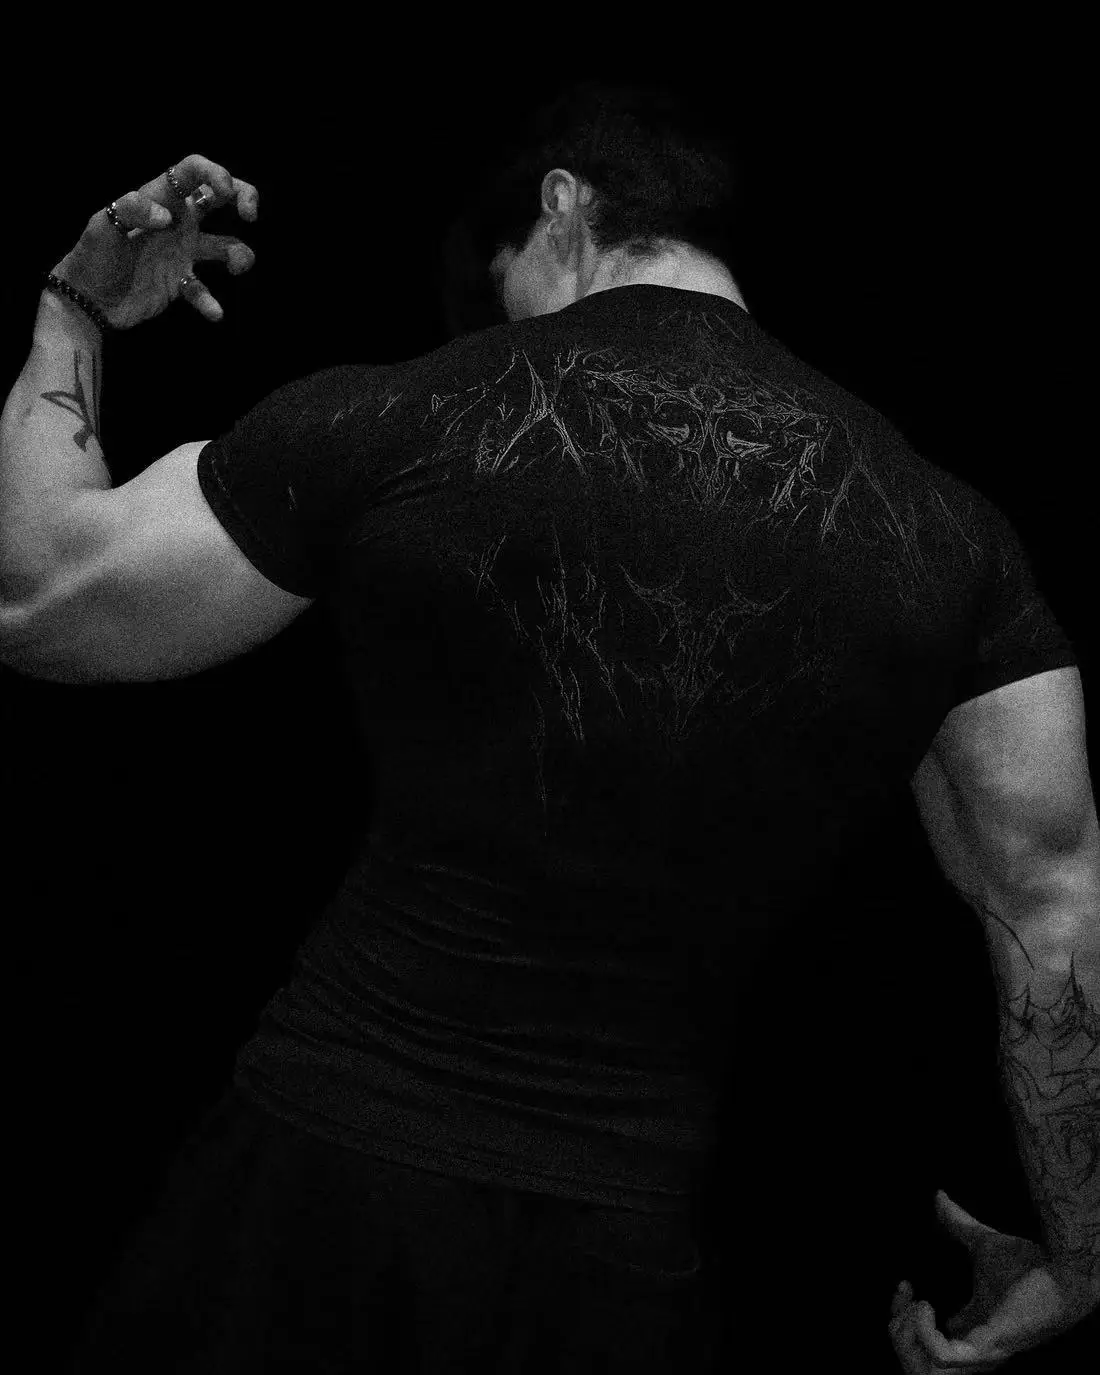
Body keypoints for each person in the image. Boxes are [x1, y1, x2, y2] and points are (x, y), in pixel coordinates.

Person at [1, 82, 1095, 1372]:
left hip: (324, 1182)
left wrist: (74, 307)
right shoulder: (950, 539)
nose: (504, 319)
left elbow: (40, 600)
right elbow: (1052, 909)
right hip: (619, 1262)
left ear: (564, 207)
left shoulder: (405, 415)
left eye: (505, 279)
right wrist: (1084, 1255)